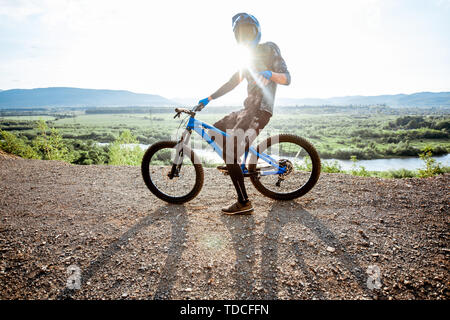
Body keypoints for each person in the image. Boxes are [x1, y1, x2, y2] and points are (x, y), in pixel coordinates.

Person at [198, 12, 291, 215]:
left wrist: (269, 74)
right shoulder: (246, 61)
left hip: (260, 111)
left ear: (256, 31)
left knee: (231, 152)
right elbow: (232, 82)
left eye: (248, 31)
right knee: (215, 130)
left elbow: (286, 78)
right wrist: (208, 98)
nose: (245, 36)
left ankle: (243, 202)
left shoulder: (269, 48)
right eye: (241, 33)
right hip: (247, 110)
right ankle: (234, 165)